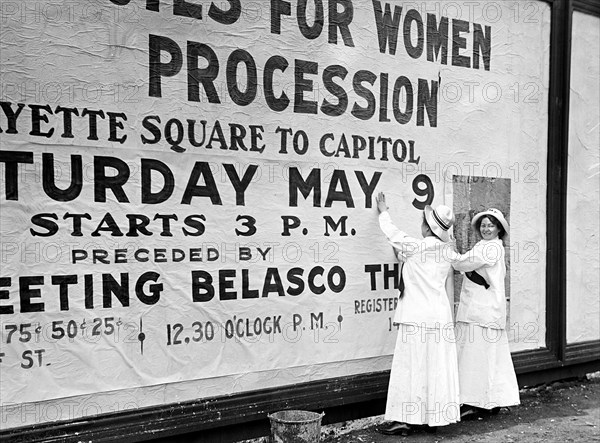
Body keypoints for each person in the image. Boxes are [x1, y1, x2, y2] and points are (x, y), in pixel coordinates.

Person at [376, 192, 460, 435]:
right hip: (438, 317)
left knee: (411, 366)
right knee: (434, 367)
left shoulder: (416, 246)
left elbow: (391, 231)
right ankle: (433, 417)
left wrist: (383, 209)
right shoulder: (445, 252)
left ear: (426, 227)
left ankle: (405, 418)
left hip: (416, 316)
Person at [452, 208, 520, 419]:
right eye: (483, 225)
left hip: (482, 312)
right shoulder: (485, 246)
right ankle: (491, 401)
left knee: (477, 358)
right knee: (489, 358)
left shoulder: (490, 249)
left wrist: (449, 246)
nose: (486, 228)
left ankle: (477, 402)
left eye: (491, 225)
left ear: (499, 228)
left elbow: (459, 263)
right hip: (483, 310)